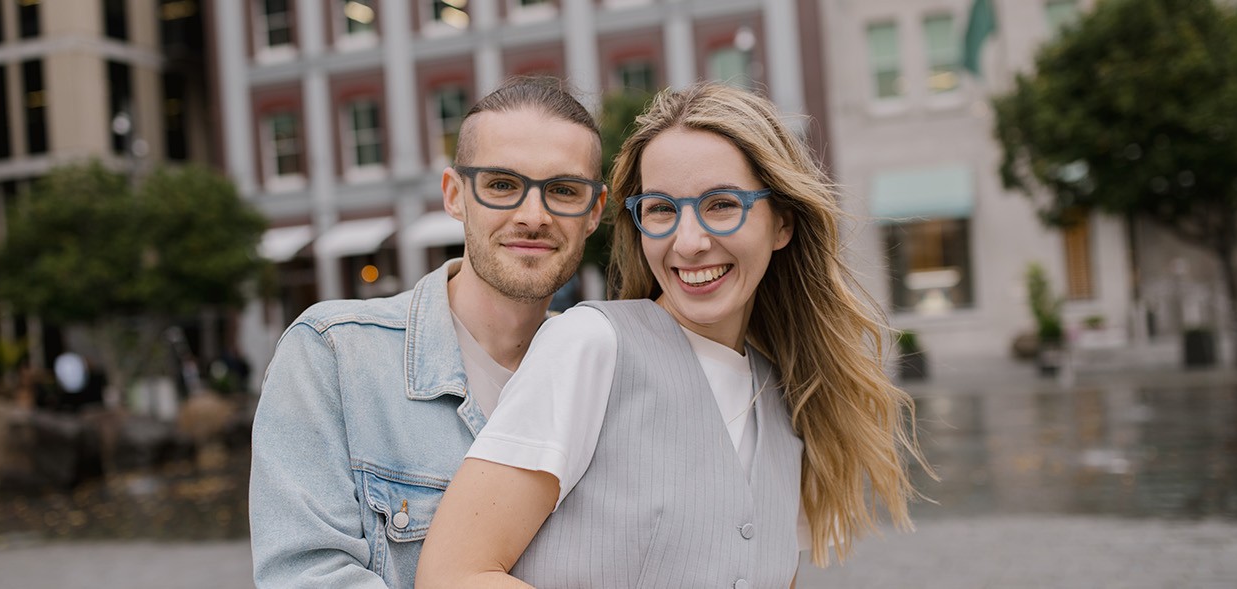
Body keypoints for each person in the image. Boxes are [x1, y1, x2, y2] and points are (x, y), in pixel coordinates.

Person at [416, 82, 929, 588]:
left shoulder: (788, 399)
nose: (689, 242)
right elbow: (452, 575)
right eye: (661, 209)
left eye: (722, 204)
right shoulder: (591, 346)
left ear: (782, 224)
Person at [248, 77, 606, 588]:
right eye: (502, 185)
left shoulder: (602, 377)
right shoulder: (333, 356)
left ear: (594, 211)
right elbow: (306, 578)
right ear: (455, 195)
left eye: (563, 190)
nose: (533, 216)